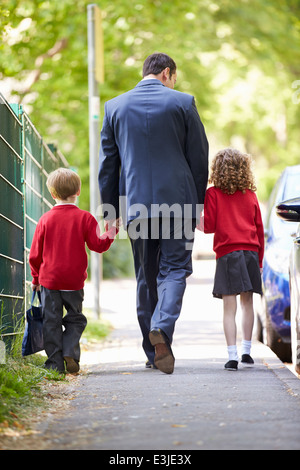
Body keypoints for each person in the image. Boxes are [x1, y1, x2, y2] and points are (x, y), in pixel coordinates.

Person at [98, 52, 209, 374]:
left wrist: (110, 211)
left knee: (146, 278)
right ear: (167, 73)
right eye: (174, 78)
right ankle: (161, 326)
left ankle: (152, 353)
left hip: (135, 207)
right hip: (177, 204)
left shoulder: (115, 107)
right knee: (174, 271)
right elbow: (198, 159)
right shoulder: (183, 103)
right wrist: (198, 206)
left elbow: (109, 165)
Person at [29, 168, 119, 374]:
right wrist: (111, 230)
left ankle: (54, 364)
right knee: (75, 318)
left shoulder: (45, 220)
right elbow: (98, 245)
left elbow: (35, 254)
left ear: (52, 194)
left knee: (51, 321)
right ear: (78, 191)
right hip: (74, 281)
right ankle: (70, 350)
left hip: (49, 281)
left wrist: (35, 278)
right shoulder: (85, 218)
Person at [201, 148, 264, 371]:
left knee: (230, 308)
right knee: (248, 303)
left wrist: (192, 220)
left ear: (217, 169)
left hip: (228, 254)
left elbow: (208, 226)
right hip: (250, 253)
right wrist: (260, 262)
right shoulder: (251, 195)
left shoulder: (213, 194)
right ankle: (247, 352)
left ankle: (232, 356)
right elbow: (259, 229)